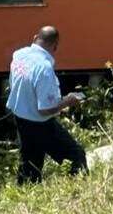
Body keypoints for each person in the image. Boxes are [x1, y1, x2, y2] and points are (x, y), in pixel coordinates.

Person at [7, 26, 86, 184]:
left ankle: (25, 197)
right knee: (75, 156)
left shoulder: (19, 55)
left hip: (20, 118)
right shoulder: (44, 68)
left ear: (35, 37)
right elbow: (45, 110)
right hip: (39, 124)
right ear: (55, 45)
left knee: (30, 165)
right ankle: (77, 191)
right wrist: (68, 101)